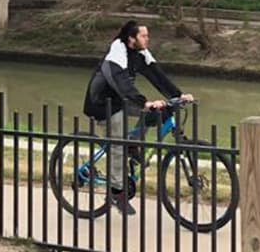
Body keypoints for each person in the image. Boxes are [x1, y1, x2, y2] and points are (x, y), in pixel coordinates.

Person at [82, 20, 193, 215]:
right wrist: (144, 102)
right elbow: (122, 84)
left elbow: (157, 76)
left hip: (122, 100)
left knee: (160, 112)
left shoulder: (140, 54)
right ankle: (116, 192)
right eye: (143, 36)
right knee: (117, 144)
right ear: (131, 38)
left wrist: (178, 95)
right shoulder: (116, 56)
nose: (147, 39)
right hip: (103, 104)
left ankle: (133, 143)